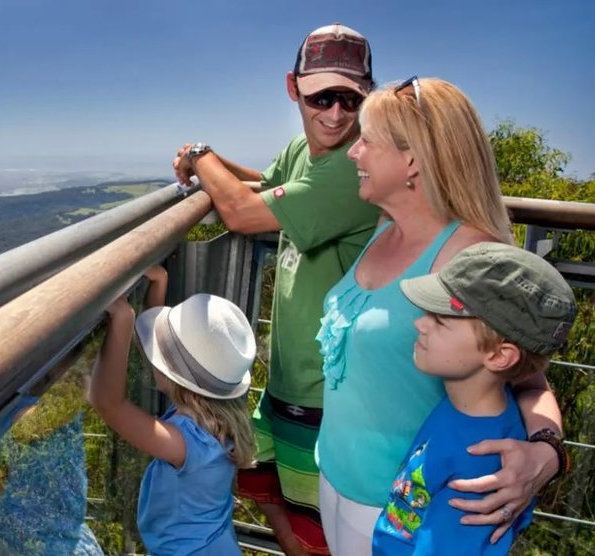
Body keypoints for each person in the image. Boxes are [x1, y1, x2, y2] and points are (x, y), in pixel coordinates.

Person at [315, 77, 568, 554]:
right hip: (336, 477)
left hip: (402, 511)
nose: (354, 152)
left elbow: (527, 376)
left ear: (411, 160)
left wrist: (545, 453)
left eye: (367, 140)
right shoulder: (385, 228)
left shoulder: (468, 256)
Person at [173, 23, 381, 555]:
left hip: (328, 388)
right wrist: (216, 161)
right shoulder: (304, 149)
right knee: (276, 500)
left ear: (368, 95)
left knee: (318, 533)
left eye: (350, 99)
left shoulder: (352, 168)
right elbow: (267, 188)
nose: (335, 114)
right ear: (294, 88)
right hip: (294, 377)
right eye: (321, 97)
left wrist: (199, 157)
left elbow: (244, 213)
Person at [368, 242, 577, 555]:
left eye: (439, 321)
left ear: (498, 356)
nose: (419, 323)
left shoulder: (480, 472)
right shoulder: (467, 406)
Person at [88, 266, 256, 555]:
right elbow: (162, 354)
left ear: (173, 376)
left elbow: (108, 404)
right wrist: (159, 281)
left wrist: (124, 318)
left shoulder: (185, 444)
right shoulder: (214, 419)